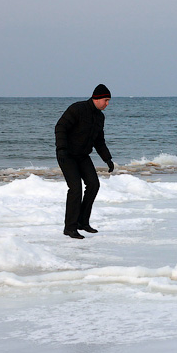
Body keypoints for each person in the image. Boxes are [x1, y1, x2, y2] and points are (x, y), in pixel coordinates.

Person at [55, 84, 114, 239]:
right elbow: (60, 127)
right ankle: (70, 228)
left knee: (94, 184)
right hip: (67, 154)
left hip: (82, 156)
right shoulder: (77, 109)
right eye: (106, 100)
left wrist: (107, 159)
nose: (107, 103)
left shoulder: (100, 117)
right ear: (97, 98)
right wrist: (61, 148)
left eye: (108, 100)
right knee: (75, 189)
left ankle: (82, 222)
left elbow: (99, 141)